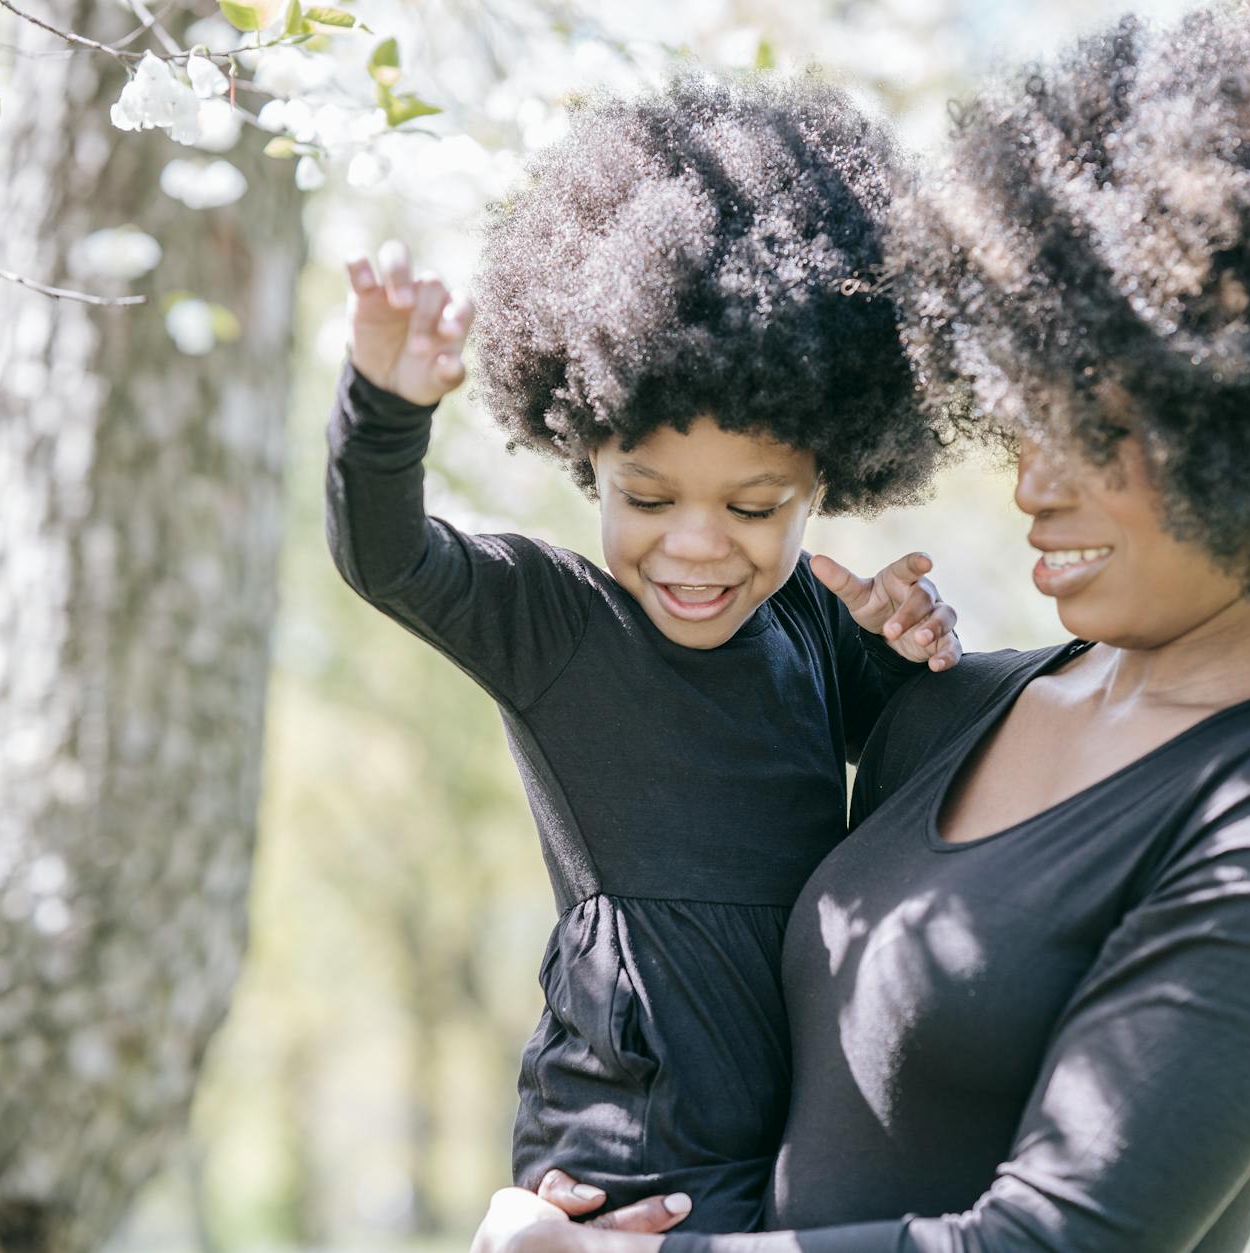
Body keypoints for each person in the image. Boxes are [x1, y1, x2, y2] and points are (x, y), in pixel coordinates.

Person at [476, 4, 1250, 1250]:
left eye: (1098, 433)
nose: (1031, 485)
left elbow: (1062, 1237)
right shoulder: (946, 704)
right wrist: (594, 1171)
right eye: (1026, 418)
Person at [326, 74, 966, 1232]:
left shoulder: (808, 619)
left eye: (754, 507)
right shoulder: (552, 621)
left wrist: (906, 637)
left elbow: (904, 741)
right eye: (649, 496)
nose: (696, 545)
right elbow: (388, 559)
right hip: (628, 1149)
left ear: (826, 482)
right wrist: (383, 408)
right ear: (588, 456)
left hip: (805, 1123)